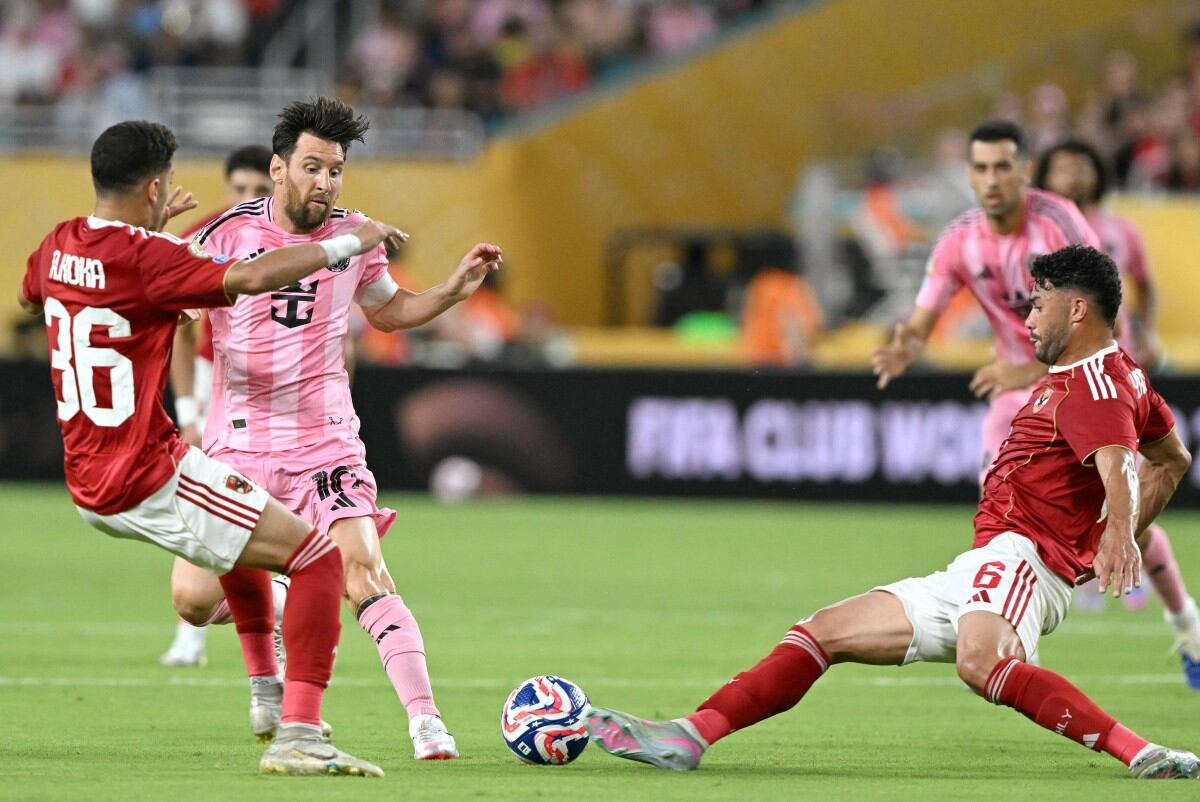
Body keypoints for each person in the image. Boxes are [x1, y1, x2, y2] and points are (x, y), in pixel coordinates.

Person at [585, 245, 1197, 780]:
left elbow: (1117, 462)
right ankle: (692, 734)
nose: (1028, 317)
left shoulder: (1090, 383)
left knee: (982, 663)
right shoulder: (1116, 377)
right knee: (823, 631)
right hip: (987, 563)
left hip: (1023, 559)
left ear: (1078, 310)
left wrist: (1117, 532)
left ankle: (1140, 751)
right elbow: (1171, 459)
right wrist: (1105, 537)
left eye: (1038, 304)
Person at [19, 119, 407, 776]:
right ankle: (301, 735)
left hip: (85, 474)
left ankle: (264, 694)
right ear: (153, 186)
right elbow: (253, 279)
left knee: (245, 525)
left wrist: (145, 239)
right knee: (317, 563)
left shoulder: (57, 245)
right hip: (143, 475)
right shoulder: (152, 260)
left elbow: (34, 297)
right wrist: (346, 242)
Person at [161, 97, 502, 760]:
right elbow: (174, 306)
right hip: (239, 445)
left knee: (366, 572)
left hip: (325, 443)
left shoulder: (357, 239)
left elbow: (391, 311)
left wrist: (454, 290)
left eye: (336, 170)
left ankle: (426, 721)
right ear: (278, 168)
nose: (325, 182)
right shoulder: (226, 234)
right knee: (193, 601)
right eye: (312, 167)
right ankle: (274, 610)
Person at [1035, 139, 1200, 685]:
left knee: (1125, 478)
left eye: (1082, 163)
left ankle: (1172, 606)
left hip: (1107, 375)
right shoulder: (1033, 235)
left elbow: (1144, 286)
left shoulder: (1117, 229)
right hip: (1053, 380)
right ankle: (1126, 579)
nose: (1073, 173)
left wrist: (1145, 334)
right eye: (1063, 165)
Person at [872, 120, 1099, 479]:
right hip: (1015, 390)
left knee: (1119, 525)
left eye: (1002, 167)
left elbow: (1101, 322)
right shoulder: (958, 242)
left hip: (1086, 386)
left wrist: (1030, 371)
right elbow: (921, 321)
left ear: (1025, 170)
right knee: (995, 494)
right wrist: (906, 346)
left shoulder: (1059, 223)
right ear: (970, 176)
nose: (991, 180)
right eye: (981, 168)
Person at [161, 144, 275, 669]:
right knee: (199, 507)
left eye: (259, 190)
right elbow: (180, 337)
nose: (248, 199)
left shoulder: (295, 238)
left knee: (265, 508)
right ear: (227, 188)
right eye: (240, 190)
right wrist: (187, 409)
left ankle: (276, 613)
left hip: (278, 388)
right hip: (217, 379)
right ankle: (192, 632)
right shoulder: (205, 238)